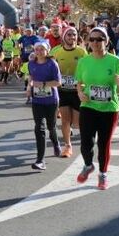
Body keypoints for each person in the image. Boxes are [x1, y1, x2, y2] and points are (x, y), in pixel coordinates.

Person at [75, 27, 119, 190]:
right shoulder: (84, 61)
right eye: (92, 39)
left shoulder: (115, 61)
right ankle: (88, 165)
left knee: (104, 143)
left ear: (106, 41)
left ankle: (103, 174)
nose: (95, 42)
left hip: (109, 109)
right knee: (86, 142)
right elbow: (79, 82)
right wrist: (80, 93)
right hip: (88, 106)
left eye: (99, 39)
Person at [49, 27, 86, 157]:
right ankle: (67, 146)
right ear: (64, 37)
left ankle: (70, 128)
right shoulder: (57, 52)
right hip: (62, 90)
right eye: (69, 34)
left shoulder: (81, 51)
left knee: (76, 123)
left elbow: (87, 68)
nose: (72, 37)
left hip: (77, 91)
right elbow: (49, 67)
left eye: (74, 34)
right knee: (65, 120)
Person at [28, 41, 61, 170]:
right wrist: (29, 86)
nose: (39, 52)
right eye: (37, 49)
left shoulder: (52, 64)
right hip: (37, 101)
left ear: (47, 51)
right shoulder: (31, 63)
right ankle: (40, 160)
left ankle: (56, 142)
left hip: (51, 101)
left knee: (51, 126)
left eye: (42, 49)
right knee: (39, 128)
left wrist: (42, 84)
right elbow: (31, 76)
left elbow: (58, 82)